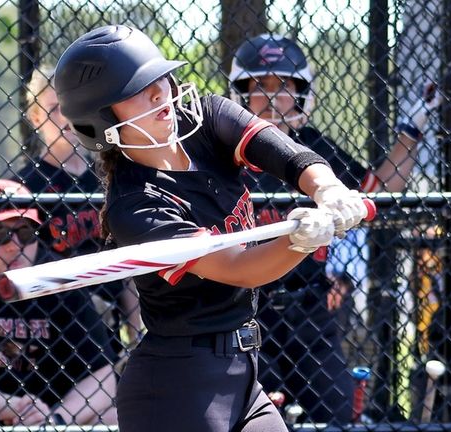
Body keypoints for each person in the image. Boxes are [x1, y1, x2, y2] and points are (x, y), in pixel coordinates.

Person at [53, 25, 369, 432]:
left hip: (242, 375)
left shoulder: (206, 118)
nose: (158, 93)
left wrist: (326, 187)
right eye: (137, 90)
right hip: (178, 389)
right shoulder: (134, 205)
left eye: (158, 80)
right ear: (101, 120)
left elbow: (285, 153)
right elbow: (240, 268)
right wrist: (299, 241)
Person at [228, 33, 437, 423]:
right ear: (241, 92)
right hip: (246, 309)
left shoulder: (314, 150)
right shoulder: (227, 153)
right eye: (260, 86)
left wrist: (411, 131)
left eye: (284, 86)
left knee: (339, 412)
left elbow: (378, 189)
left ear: (303, 93)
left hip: (309, 307)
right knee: (261, 414)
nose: (273, 98)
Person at [0, 179, 118, 427]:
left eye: (26, 232)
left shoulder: (54, 274)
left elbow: (102, 375)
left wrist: (55, 420)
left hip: (46, 416)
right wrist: (12, 407)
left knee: (115, 417)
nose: (14, 246)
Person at [13, 66, 141, 355]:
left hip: (108, 327)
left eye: (72, 105)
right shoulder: (25, 185)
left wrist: (135, 336)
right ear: (36, 118)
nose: (66, 116)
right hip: (53, 332)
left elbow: (129, 266)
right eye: (55, 108)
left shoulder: (110, 175)